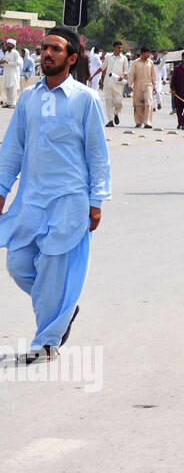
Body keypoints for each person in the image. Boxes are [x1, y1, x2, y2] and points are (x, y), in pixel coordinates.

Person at [0, 29, 110, 362]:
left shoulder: (85, 99)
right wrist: (2, 188)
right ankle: (62, 309)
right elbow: (12, 149)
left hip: (69, 201)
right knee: (18, 264)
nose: (47, 53)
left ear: (71, 58)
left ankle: (46, 341)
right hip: (31, 200)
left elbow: (97, 154)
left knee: (52, 266)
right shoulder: (28, 98)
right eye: (44, 47)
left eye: (55, 49)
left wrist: (96, 201)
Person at [96, 40, 129, 126]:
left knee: (118, 101)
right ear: (114, 48)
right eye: (118, 48)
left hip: (118, 83)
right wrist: (93, 76)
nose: (120, 49)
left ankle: (116, 113)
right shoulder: (108, 57)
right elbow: (102, 68)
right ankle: (110, 120)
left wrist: (122, 75)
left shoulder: (124, 58)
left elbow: (126, 71)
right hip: (108, 83)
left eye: (121, 48)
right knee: (108, 101)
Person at [128, 47, 155, 128]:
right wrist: (130, 85)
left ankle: (147, 122)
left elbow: (153, 74)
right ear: (142, 53)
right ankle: (139, 122)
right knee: (138, 104)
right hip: (138, 84)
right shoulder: (135, 63)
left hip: (148, 85)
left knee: (148, 103)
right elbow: (131, 74)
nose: (148, 55)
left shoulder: (150, 63)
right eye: (147, 53)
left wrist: (155, 84)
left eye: (149, 53)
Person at [0, 38, 20, 107]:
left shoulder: (15, 53)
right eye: (7, 44)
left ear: (13, 45)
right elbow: (4, 62)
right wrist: (2, 63)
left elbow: (18, 63)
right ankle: (8, 103)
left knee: (12, 88)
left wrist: (8, 62)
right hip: (6, 73)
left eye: (9, 44)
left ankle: (13, 103)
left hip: (13, 74)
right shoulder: (7, 53)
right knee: (7, 88)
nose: (7, 45)